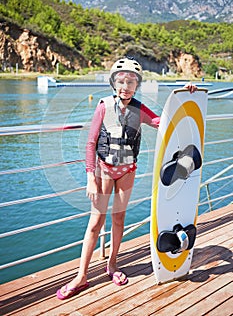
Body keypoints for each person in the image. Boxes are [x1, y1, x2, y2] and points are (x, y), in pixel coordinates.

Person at [56, 57, 196, 300]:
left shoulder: (140, 110)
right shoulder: (103, 106)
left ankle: (112, 265)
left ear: (136, 85)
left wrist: (184, 96)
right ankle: (81, 276)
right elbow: (90, 143)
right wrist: (90, 176)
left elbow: (163, 122)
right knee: (95, 224)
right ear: (113, 82)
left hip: (127, 172)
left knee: (118, 220)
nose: (125, 86)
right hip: (103, 171)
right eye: (121, 81)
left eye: (131, 82)